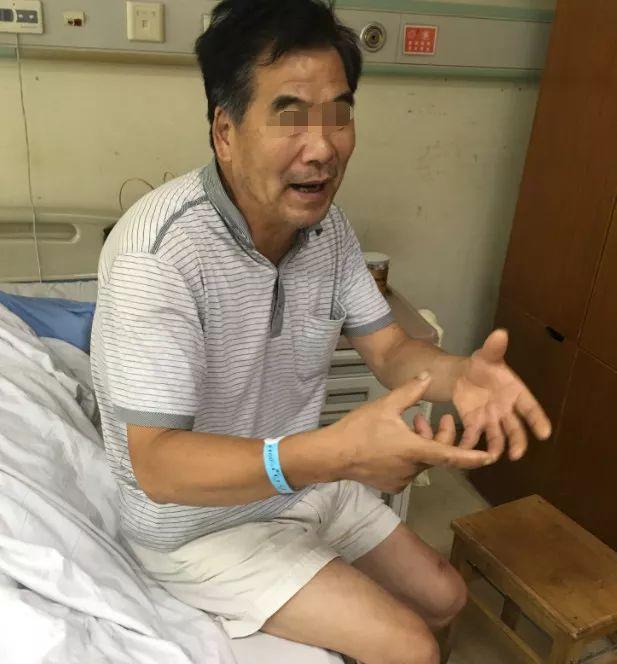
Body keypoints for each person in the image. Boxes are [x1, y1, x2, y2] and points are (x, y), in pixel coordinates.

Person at [90, 1, 551, 662]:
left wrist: (460, 376)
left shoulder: (326, 230)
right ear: (225, 130)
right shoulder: (158, 256)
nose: (324, 147)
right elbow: (158, 465)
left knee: (446, 598)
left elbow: (390, 350)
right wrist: (334, 453)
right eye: (290, 115)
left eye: (338, 113)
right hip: (195, 526)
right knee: (409, 647)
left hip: (298, 485)